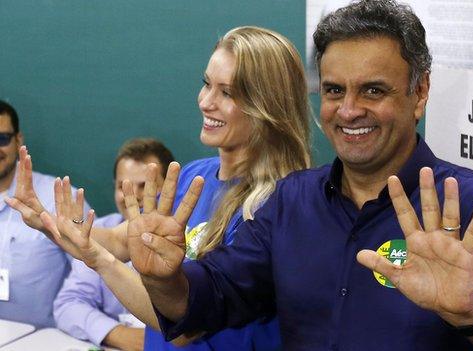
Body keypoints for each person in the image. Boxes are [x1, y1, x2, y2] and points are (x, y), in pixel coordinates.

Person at [111, 1, 473, 350]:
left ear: (420, 92)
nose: (349, 110)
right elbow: (213, 296)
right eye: (334, 90)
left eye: (373, 90)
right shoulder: (292, 201)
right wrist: (165, 278)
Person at [13, 26, 311, 351]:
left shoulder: (278, 204)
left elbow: (184, 326)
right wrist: (50, 223)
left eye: (227, 93)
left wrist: (97, 259)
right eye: (206, 84)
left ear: (266, 105)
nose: (206, 102)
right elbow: (118, 239)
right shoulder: (194, 176)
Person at [53, 138, 174, 351]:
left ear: (171, 188)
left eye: (145, 186)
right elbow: (68, 304)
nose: (133, 196)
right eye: (123, 186)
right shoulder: (97, 231)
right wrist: (117, 334)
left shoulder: (189, 236)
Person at [0, 100, 90, 328]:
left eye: (2, 139)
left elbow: (93, 274)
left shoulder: (58, 198)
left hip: (46, 340)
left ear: (18, 140)